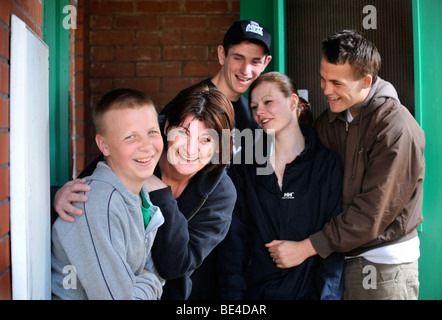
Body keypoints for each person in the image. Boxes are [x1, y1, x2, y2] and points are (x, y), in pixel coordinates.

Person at [274, 30, 426, 300]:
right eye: (322, 78)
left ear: (366, 81)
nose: (325, 89)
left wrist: (307, 247)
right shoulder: (330, 120)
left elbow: (372, 214)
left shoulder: (396, 128)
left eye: (336, 82)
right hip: (337, 263)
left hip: (383, 267)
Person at [53, 83, 237, 300]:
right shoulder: (136, 152)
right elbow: (88, 194)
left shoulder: (221, 192)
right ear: (167, 127)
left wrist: (161, 193)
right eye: (184, 133)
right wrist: (55, 196)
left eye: (206, 139)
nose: (190, 149)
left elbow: (176, 266)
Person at [217, 71, 345, 299]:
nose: (260, 112)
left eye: (268, 102)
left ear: (293, 101)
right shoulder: (246, 164)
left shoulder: (326, 164)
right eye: (254, 106)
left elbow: (333, 244)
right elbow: (234, 243)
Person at [51, 88, 165, 299]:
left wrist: (143, 280)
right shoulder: (96, 203)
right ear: (104, 145)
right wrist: (152, 281)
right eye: (131, 137)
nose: (147, 146)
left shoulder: (139, 196)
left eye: (152, 132)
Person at [161, 20, 272, 135]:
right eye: (238, 58)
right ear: (222, 55)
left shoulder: (252, 114)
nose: (245, 70)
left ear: (265, 63)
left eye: (255, 62)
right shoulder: (190, 101)